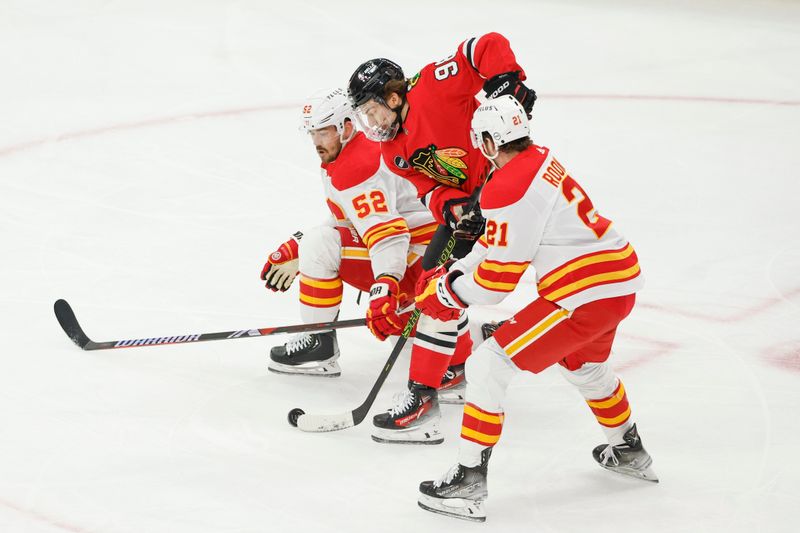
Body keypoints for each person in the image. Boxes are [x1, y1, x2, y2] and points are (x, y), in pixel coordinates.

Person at [414, 95, 657, 522]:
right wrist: (454, 271)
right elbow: (498, 244)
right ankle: (628, 448)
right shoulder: (538, 158)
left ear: (490, 140)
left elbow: (495, 284)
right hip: (617, 283)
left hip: (583, 295)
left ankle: (468, 481)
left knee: (487, 365)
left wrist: (448, 294)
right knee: (584, 366)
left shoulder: (508, 186)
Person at [347, 32, 537, 443]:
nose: (371, 122)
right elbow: (430, 189)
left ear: (393, 98)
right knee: (435, 283)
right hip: (475, 204)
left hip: (515, 186)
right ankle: (436, 382)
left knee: (553, 277)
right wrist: (452, 209)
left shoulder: (434, 84)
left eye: (372, 110)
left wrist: (507, 80)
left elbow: (484, 45)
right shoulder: (392, 151)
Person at [261, 89, 471, 411]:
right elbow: (350, 218)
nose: (317, 141)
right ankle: (451, 338)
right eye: (313, 133)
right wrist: (297, 245)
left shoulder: (357, 166)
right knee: (315, 243)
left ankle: (322, 342)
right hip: (420, 255)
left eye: (324, 131)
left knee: (320, 246)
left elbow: (390, 236)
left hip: (418, 263)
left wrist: (384, 287)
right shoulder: (345, 155)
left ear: (346, 126)